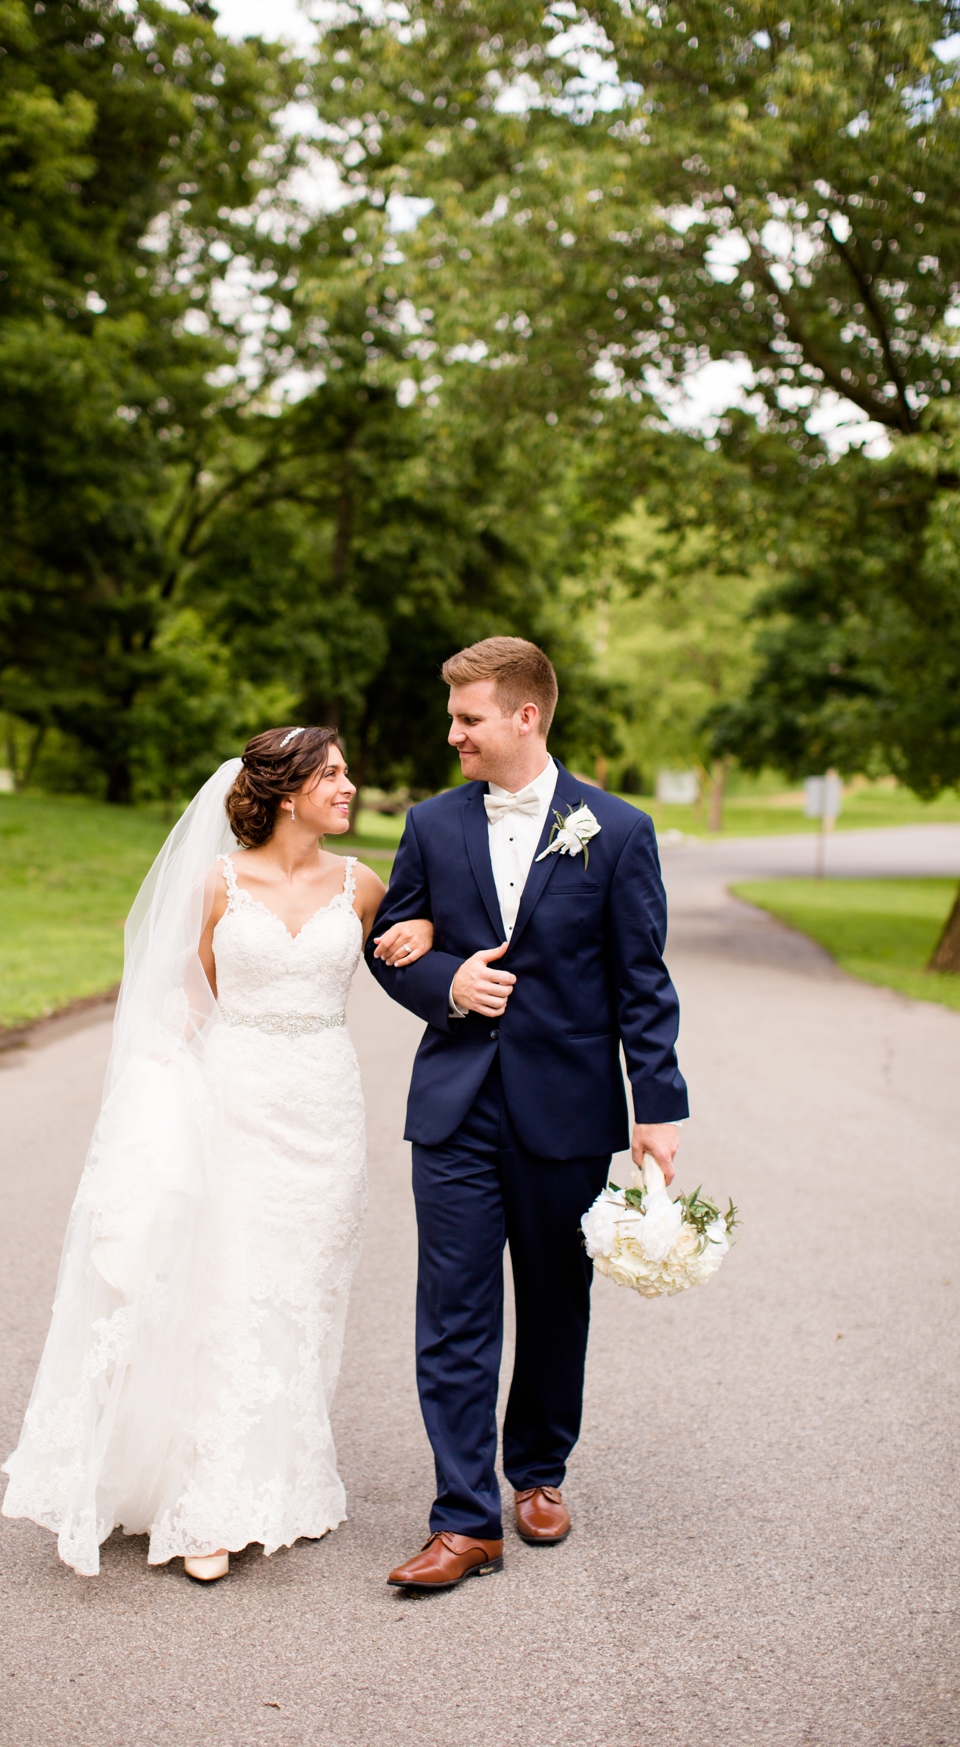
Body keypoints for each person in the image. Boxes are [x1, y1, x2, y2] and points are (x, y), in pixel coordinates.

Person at [2, 727, 433, 1582]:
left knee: (304, 1293)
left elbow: (411, 962)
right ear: (286, 791)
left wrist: (419, 936)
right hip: (233, 1103)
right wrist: (155, 1095)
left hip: (326, 1110)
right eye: (334, 775)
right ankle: (210, 1501)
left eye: (347, 773)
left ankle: (286, 1477)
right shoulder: (217, 884)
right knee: (228, 1291)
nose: (350, 787)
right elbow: (188, 997)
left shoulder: (365, 885)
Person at [368, 638, 689, 1591]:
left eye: (468, 717)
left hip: (568, 1109)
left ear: (526, 717)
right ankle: (465, 1519)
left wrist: (656, 1108)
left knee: (556, 1302)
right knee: (455, 1311)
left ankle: (539, 1470)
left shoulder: (618, 832)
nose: (453, 733)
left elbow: (643, 980)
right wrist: (447, 981)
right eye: (454, 716)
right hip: (456, 1107)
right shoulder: (431, 824)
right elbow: (393, 949)